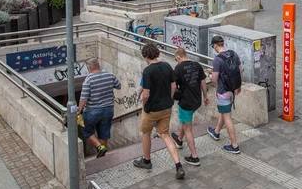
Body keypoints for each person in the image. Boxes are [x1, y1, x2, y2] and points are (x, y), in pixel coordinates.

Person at [133, 43, 185, 179]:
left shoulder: (148, 71)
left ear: (145, 56)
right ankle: (178, 165)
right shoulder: (167, 66)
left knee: (146, 132)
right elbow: (173, 86)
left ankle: (146, 160)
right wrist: (170, 98)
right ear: (157, 54)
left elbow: (146, 94)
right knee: (165, 134)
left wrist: (145, 105)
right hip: (166, 106)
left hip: (152, 109)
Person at [170, 48, 209, 166]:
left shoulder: (178, 68)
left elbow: (173, 86)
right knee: (185, 121)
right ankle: (179, 140)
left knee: (188, 128)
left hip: (186, 102)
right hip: (197, 101)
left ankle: (194, 156)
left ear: (178, 57)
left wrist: (170, 98)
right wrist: (205, 96)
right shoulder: (197, 65)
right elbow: (203, 82)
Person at [77, 58, 121, 158]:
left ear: (89, 68)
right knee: (104, 133)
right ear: (98, 66)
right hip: (108, 109)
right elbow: (118, 86)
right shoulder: (109, 75)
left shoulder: (88, 80)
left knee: (86, 130)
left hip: (93, 111)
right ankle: (103, 157)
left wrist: (79, 110)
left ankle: (99, 147)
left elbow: (84, 98)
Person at [207, 36, 242, 154]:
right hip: (232, 89)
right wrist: (238, 86)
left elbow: (215, 79)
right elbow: (240, 70)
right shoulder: (233, 54)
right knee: (224, 112)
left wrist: (209, 75)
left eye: (213, 47)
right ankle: (216, 132)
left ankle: (234, 145)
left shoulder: (217, 59)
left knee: (227, 117)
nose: (214, 48)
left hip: (222, 91)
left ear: (215, 45)